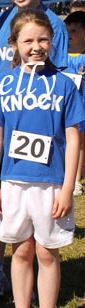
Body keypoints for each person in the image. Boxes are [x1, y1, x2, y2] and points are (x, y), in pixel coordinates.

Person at [0, 9, 85, 308]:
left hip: (51, 183)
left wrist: (69, 186)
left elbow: (74, 139)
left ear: (52, 42)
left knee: (46, 252)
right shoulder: (3, 83)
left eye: (42, 39)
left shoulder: (65, 84)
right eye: (28, 40)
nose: (36, 46)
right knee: (21, 250)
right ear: (14, 44)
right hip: (12, 182)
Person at [0, 0, 69, 301]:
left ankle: (34, 269)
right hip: (0, 123)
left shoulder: (52, 26)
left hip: (36, 129)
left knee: (34, 203)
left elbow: (55, 77)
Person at [64, 10, 85, 196]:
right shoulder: (60, 57)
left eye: (74, 30)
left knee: (79, 142)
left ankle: (77, 179)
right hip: (63, 107)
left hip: (81, 106)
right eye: (67, 30)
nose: (69, 34)